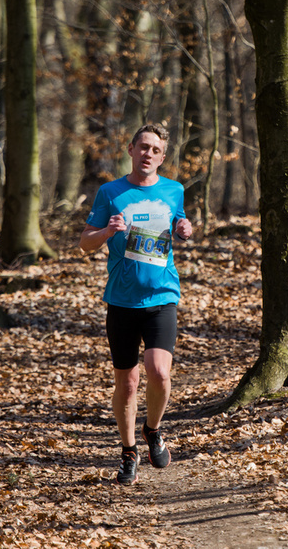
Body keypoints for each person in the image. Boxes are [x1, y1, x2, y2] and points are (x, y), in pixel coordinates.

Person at [80, 124, 193, 485]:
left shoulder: (174, 190)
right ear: (130, 149)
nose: (148, 153)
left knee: (159, 371)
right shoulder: (110, 192)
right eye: (142, 146)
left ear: (162, 157)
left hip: (162, 296)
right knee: (127, 383)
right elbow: (85, 243)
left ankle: (153, 430)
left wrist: (185, 229)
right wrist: (107, 232)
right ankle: (128, 451)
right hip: (122, 300)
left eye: (155, 149)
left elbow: (179, 224)